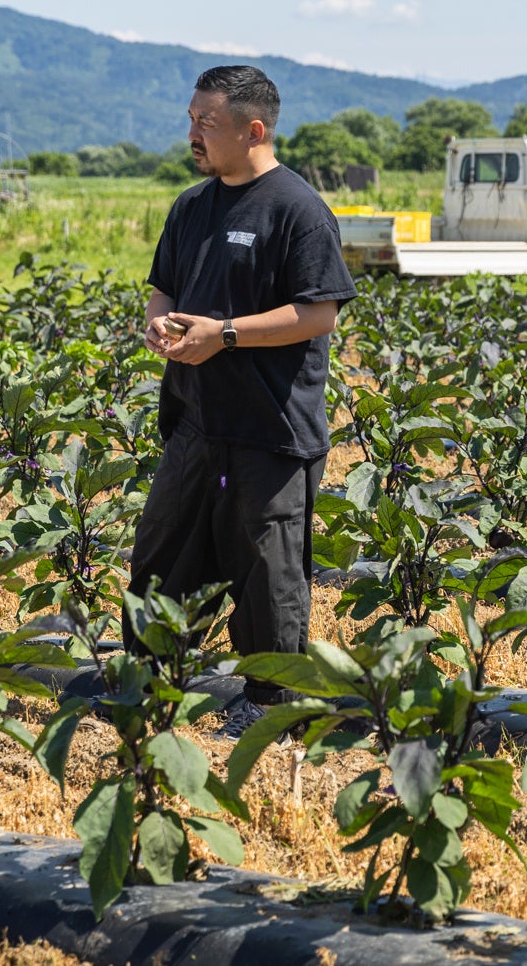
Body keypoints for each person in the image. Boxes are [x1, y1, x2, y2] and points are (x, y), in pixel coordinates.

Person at [130, 65, 356, 733]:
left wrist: (224, 335)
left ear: (252, 130)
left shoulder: (298, 209)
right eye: (192, 118)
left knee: (268, 577)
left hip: (269, 431)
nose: (193, 133)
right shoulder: (191, 206)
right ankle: (149, 685)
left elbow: (319, 315)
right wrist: (161, 320)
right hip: (197, 423)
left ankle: (268, 707)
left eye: (207, 122)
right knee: (160, 559)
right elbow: (164, 286)